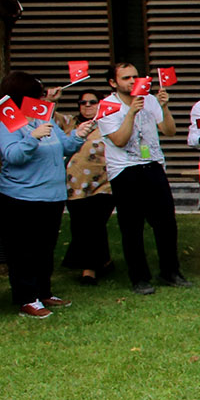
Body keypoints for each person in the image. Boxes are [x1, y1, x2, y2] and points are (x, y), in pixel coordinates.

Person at [0, 71, 81, 319]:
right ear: (23, 97)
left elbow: (65, 145)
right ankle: (26, 298)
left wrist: (79, 135)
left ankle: (43, 292)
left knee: (45, 248)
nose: (43, 98)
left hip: (50, 198)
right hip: (18, 199)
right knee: (23, 251)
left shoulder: (42, 118)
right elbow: (13, 156)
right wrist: (32, 138)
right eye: (38, 95)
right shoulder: (10, 123)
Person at [98, 62, 189, 294]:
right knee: (132, 227)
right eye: (126, 78)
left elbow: (169, 131)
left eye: (135, 77)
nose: (132, 81)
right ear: (113, 83)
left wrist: (164, 107)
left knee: (167, 223)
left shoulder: (149, 99)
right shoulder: (107, 106)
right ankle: (139, 278)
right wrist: (131, 112)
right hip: (125, 171)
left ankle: (170, 271)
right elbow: (119, 140)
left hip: (153, 165)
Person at [62, 89, 116, 285]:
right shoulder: (69, 124)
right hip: (74, 185)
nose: (87, 106)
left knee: (94, 224)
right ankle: (106, 261)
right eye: (83, 102)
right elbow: (45, 115)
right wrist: (52, 98)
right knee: (80, 225)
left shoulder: (109, 124)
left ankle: (88, 270)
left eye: (92, 102)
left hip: (104, 184)